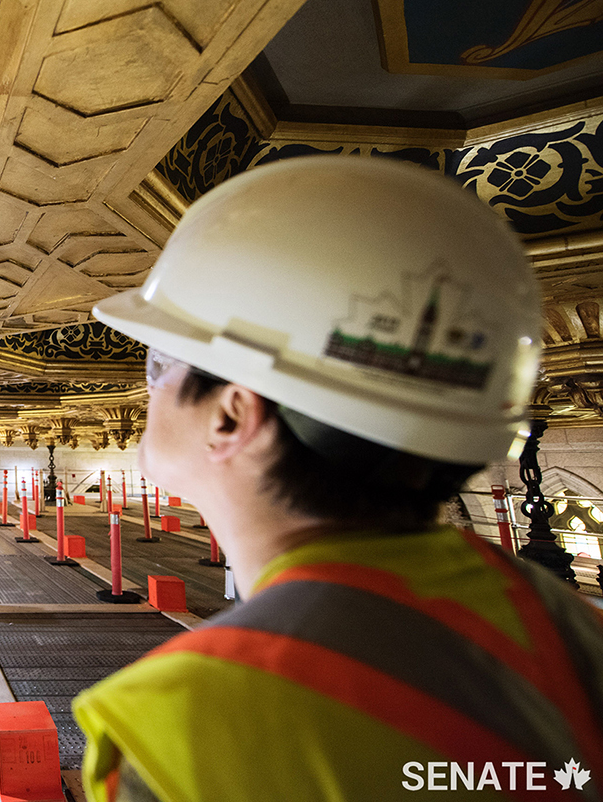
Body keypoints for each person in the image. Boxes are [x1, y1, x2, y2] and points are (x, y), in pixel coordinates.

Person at [73, 157, 603, 802]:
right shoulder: (568, 629)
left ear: (231, 414)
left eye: (161, 364)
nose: (146, 389)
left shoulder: (189, 720)